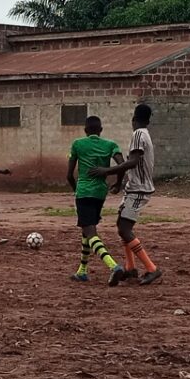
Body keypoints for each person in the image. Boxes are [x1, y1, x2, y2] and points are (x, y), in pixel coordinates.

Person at [91, 104, 162, 285]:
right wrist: (120, 182)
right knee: (122, 226)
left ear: (133, 119)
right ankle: (130, 268)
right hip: (134, 187)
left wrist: (107, 171)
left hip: (139, 188)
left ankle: (152, 268)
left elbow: (133, 162)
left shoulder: (138, 134)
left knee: (124, 229)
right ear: (148, 119)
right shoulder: (144, 134)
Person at [67, 116, 126, 286]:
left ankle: (113, 266)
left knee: (91, 232)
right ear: (101, 130)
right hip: (100, 193)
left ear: (85, 131)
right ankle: (82, 271)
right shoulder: (110, 145)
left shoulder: (78, 144)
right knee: (87, 229)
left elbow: (69, 175)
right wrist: (118, 183)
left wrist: (76, 190)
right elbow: (122, 164)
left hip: (84, 191)